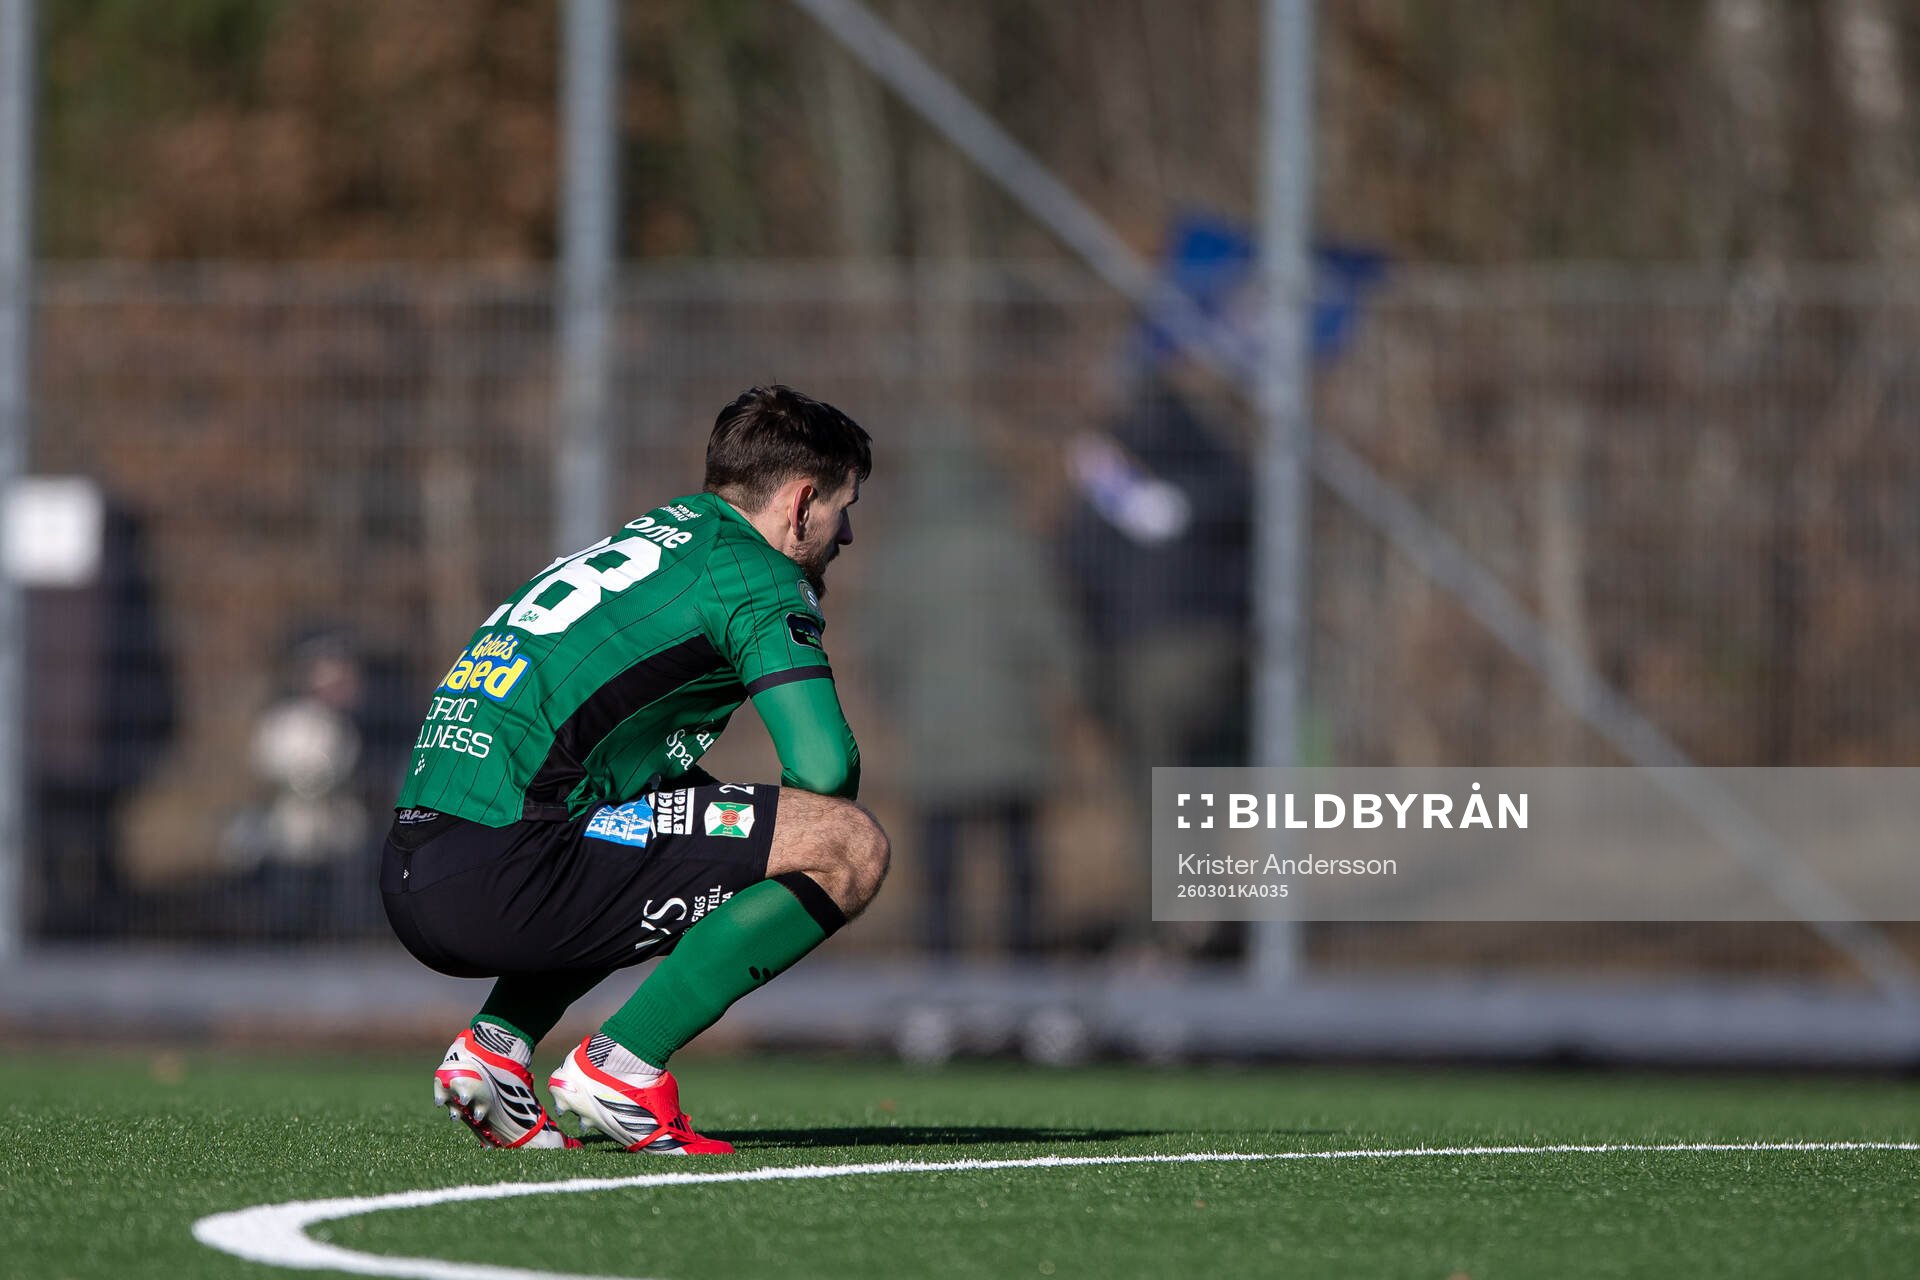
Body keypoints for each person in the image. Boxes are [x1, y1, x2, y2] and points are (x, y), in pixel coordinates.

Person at [383, 385, 886, 1154]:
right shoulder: (753, 572)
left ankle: (496, 1048)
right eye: (843, 507)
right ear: (800, 500)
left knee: (682, 823)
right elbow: (823, 768)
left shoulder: (660, 534)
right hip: (503, 868)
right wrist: (765, 843)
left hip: (424, 858)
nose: (845, 533)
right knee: (848, 846)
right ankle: (622, 1066)